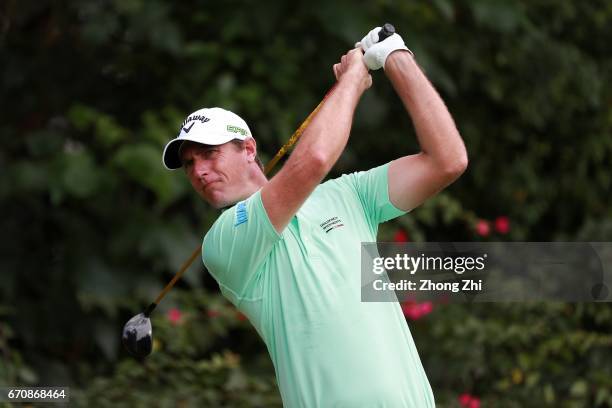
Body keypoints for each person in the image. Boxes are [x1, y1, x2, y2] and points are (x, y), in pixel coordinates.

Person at [162, 26, 467, 407]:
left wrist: (394, 56)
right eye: (189, 164)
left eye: (209, 154)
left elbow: (447, 160)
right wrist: (353, 81)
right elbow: (314, 161)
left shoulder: (349, 195)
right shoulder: (223, 242)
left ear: (248, 149)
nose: (199, 171)